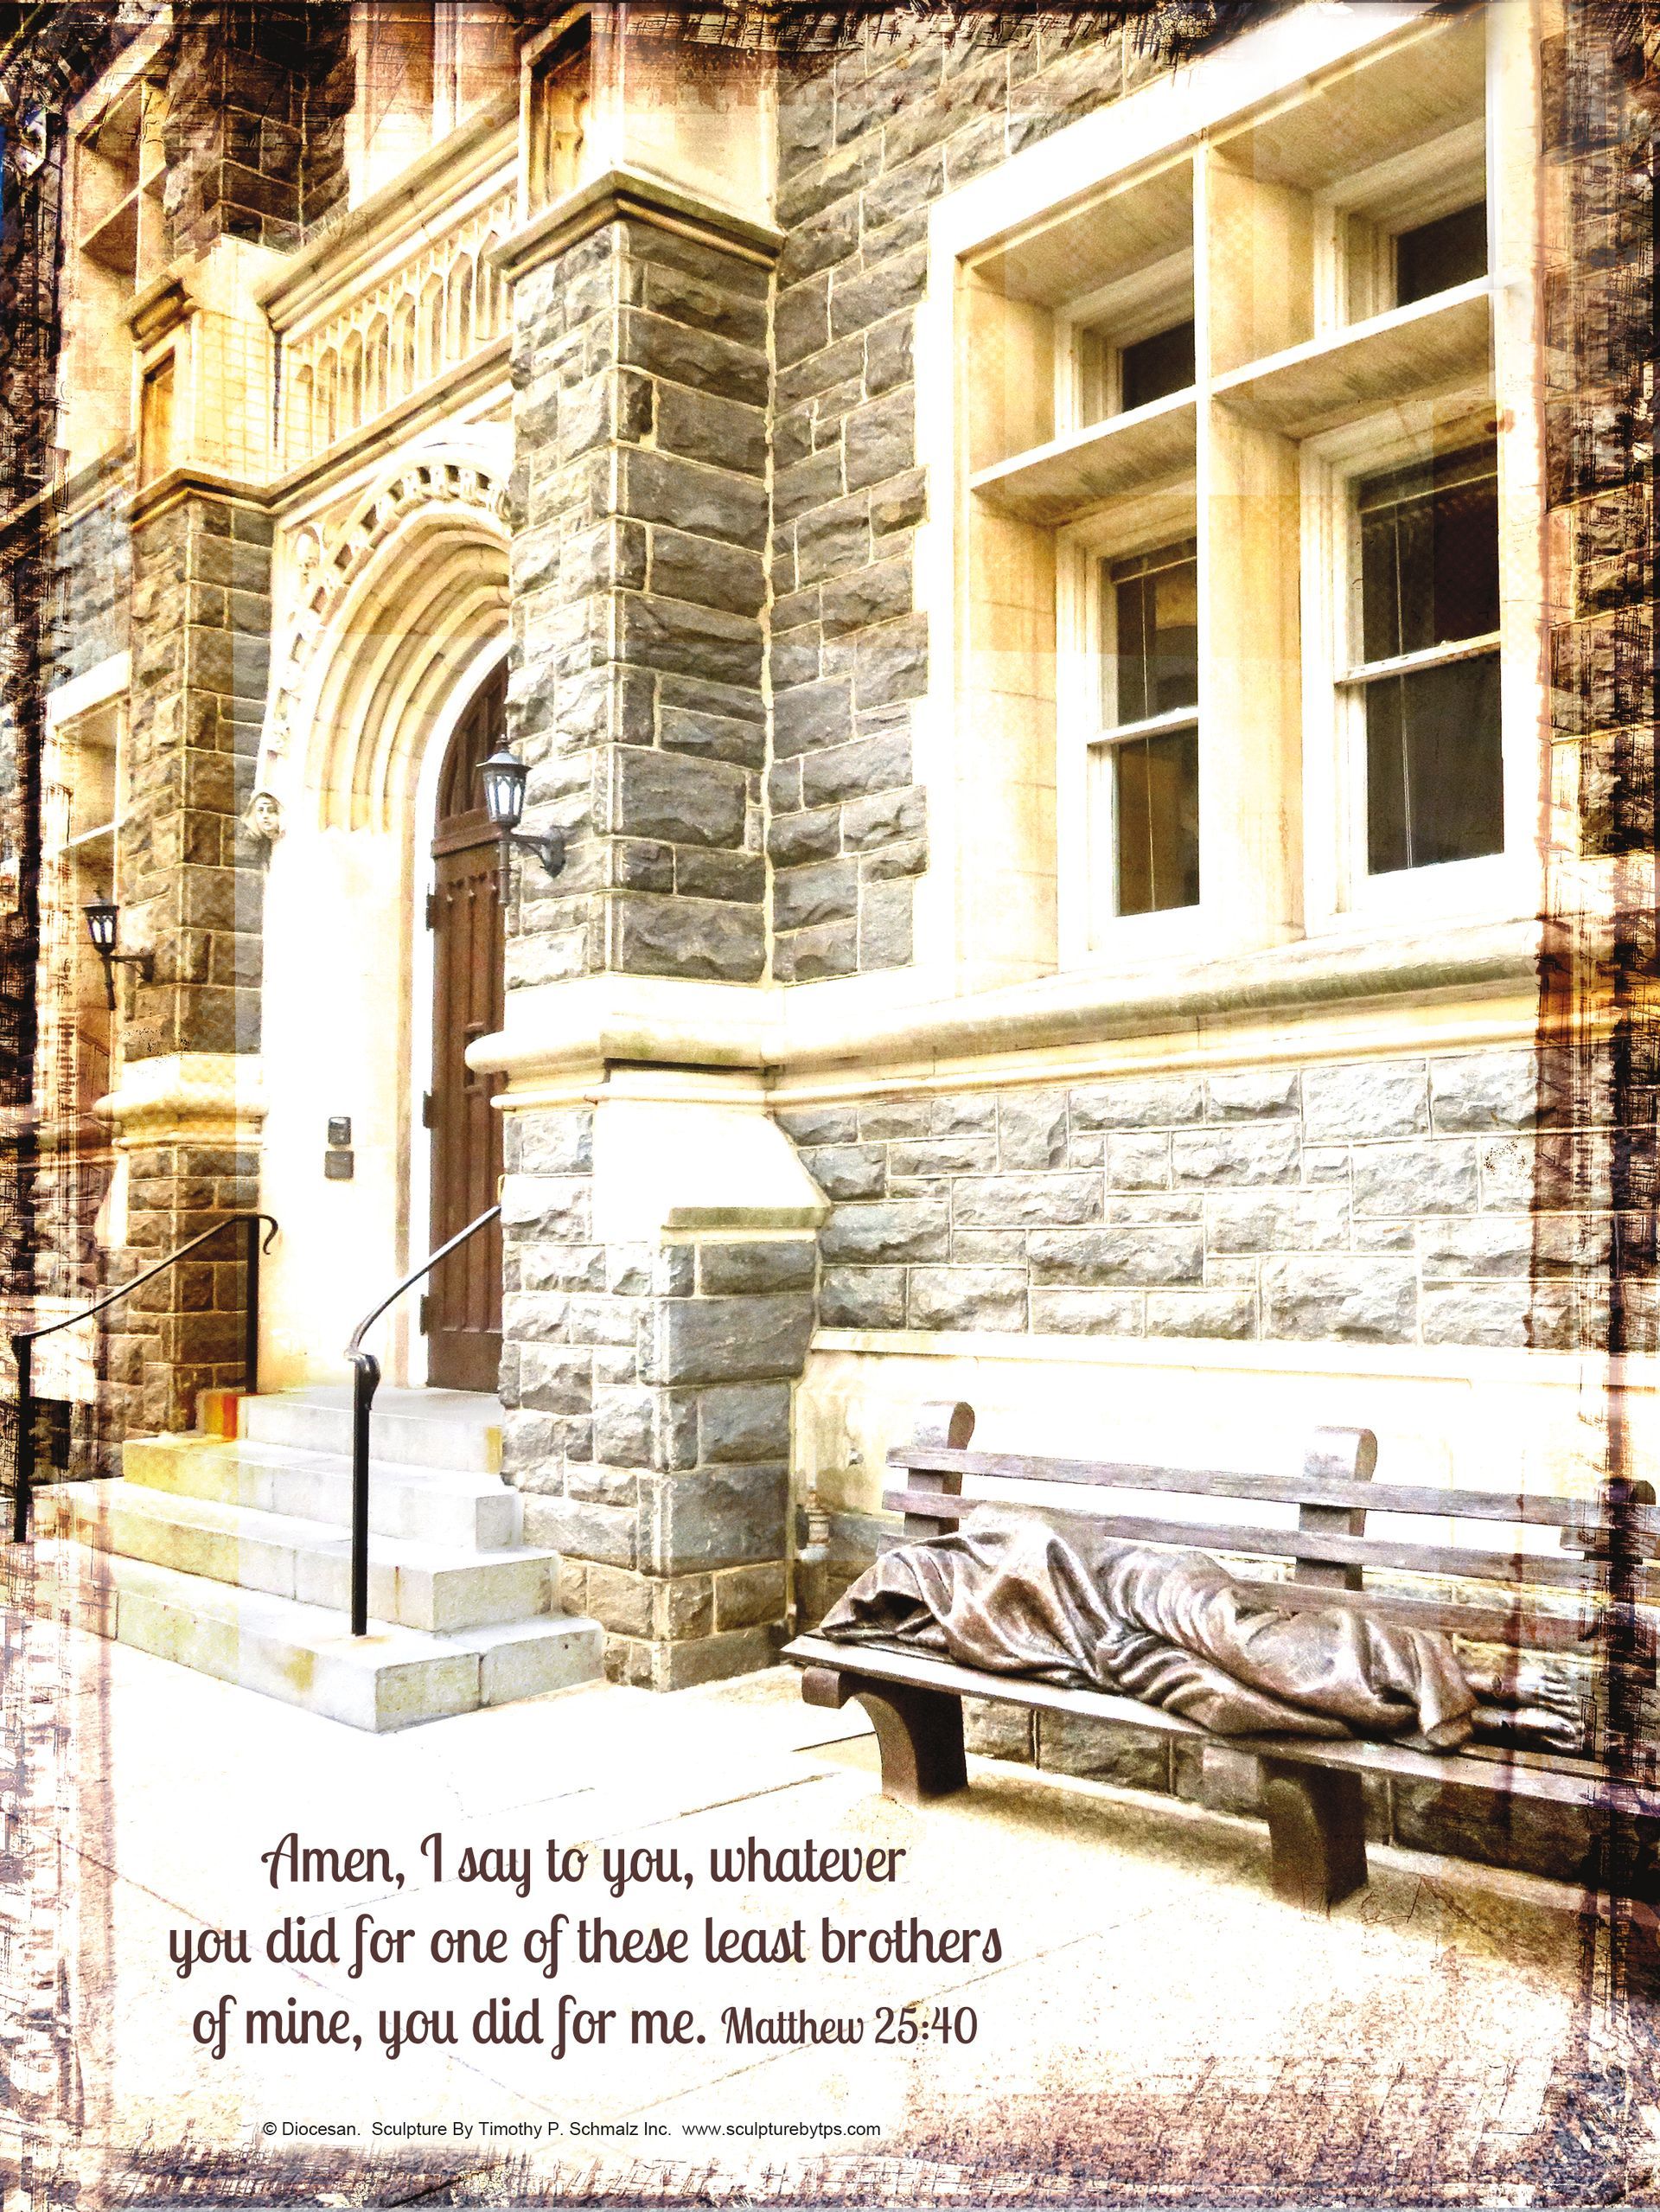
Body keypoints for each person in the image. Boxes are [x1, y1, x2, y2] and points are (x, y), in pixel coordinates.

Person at [820, 1506, 1587, 1754]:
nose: (899, 1622)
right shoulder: (952, 1621)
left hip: (1146, 1584)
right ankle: (1485, 1719)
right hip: (1112, 1646)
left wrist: (1071, 1624)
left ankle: (1470, 1675)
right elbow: (1010, 1645)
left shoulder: (979, 1541)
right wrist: (1076, 1650)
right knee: (1229, 1699)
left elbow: (1056, 1553)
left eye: (890, 1605)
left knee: (1252, 1648)